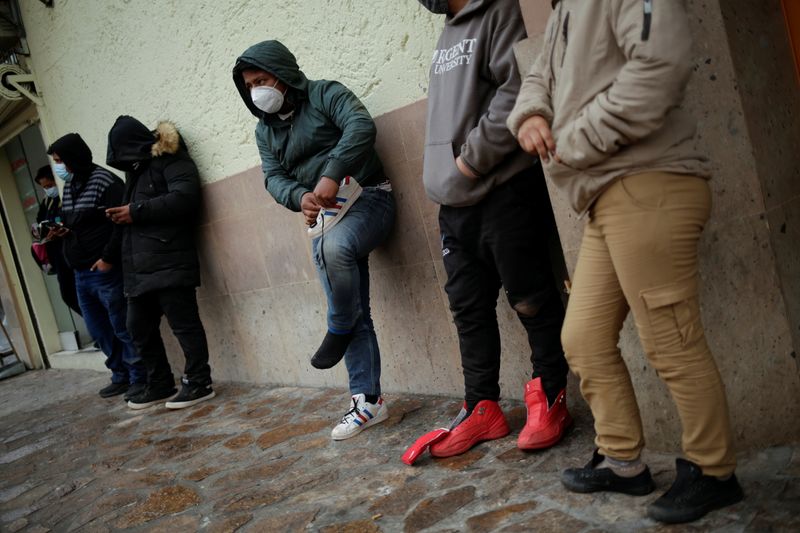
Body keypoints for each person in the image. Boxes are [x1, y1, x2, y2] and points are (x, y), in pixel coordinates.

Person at [507, 0, 743, 524]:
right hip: (604, 197)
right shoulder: (566, 7)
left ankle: (714, 472)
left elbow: (660, 65)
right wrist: (532, 115)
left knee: (671, 339)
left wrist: (572, 139)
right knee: (584, 338)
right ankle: (623, 463)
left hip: (651, 180)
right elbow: (540, 73)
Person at [416, 0, 571, 458]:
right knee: (468, 308)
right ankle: (482, 406)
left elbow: (516, 88)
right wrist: (448, 173)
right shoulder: (447, 31)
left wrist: (468, 160)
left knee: (531, 299)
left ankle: (551, 396)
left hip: (503, 190)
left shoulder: (501, 10)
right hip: (454, 203)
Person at [232, 40, 396, 440]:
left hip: (370, 195)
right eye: (249, 85)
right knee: (341, 271)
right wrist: (299, 196)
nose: (257, 90)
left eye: (262, 79)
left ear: (283, 73)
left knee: (335, 250)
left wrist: (332, 173)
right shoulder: (263, 131)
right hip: (325, 216)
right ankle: (367, 401)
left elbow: (361, 125)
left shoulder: (326, 93)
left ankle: (337, 326)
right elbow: (273, 178)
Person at [106, 116, 215, 410]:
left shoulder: (169, 158)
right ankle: (160, 382)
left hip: (170, 258)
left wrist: (136, 211)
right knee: (137, 325)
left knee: (184, 324)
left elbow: (185, 197)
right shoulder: (136, 170)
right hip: (140, 267)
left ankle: (199, 382)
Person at [46, 133, 147, 398]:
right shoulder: (71, 186)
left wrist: (108, 258)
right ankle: (120, 374)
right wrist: (63, 232)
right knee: (98, 329)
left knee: (122, 326)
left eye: (60, 161)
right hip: (81, 272)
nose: (59, 167)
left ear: (73, 159)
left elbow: (119, 224)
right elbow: (79, 223)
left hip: (105, 269)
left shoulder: (105, 181)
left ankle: (140, 376)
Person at [33, 165, 81, 316]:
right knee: (68, 296)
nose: (48, 189)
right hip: (58, 258)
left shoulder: (66, 196)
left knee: (84, 295)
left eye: (50, 185)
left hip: (73, 253)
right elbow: (40, 222)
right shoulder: (47, 202)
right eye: (45, 187)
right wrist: (43, 234)